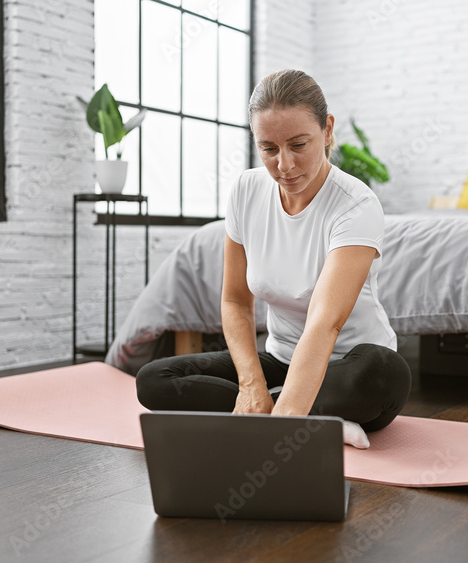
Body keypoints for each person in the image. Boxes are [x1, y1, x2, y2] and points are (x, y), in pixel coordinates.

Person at [135, 69, 411, 448]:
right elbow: (235, 300)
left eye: (298, 145)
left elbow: (325, 322)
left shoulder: (356, 204)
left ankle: (288, 411)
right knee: (154, 380)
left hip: (348, 364)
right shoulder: (246, 190)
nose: (284, 165)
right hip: (280, 359)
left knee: (382, 374)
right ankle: (320, 418)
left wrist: (280, 425)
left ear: (327, 130)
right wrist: (251, 384)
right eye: (268, 149)